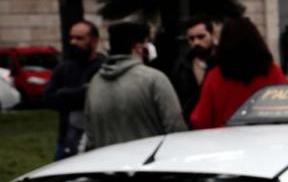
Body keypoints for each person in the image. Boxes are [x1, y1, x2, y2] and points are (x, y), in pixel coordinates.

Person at [83, 21, 185, 150]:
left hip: (107, 165)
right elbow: (176, 128)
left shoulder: (95, 82)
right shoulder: (154, 79)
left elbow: (90, 136)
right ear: (138, 47)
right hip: (148, 165)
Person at [191, 17, 287, 129]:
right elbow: (286, 108)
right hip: (266, 139)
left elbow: (200, 120)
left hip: (225, 141)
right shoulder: (272, 72)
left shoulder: (215, 76)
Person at [44, 20, 105, 159]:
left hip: (97, 143)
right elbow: (48, 98)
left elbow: (95, 97)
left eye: (79, 38)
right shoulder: (63, 68)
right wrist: (80, 93)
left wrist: (64, 93)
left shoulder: (103, 68)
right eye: (71, 38)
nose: (73, 42)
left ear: (94, 40)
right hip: (66, 141)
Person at [171, 16, 217, 127]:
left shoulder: (224, 63)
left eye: (201, 37)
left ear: (212, 35)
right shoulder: (180, 67)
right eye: (191, 39)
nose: (196, 42)